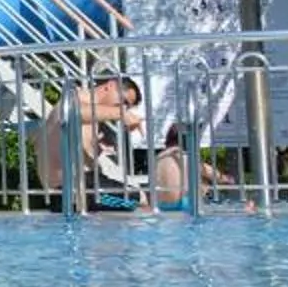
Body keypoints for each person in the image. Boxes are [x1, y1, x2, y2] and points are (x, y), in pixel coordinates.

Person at [35, 73, 145, 211]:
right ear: (110, 86)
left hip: (77, 190)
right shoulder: (76, 99)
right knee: (141, 199)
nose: (123, 107)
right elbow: (74, 112)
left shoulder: (87, 111)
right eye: (124, 101)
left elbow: (41, 143)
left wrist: (94, 149)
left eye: (127, 107)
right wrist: (122, 114)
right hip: (76, 190)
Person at [151, 123, 238, 211]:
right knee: (203, 182)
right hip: (182, 203)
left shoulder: (158, 158)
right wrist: (226, 178)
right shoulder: (186, 156)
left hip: (161, 204)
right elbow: (211, 173)